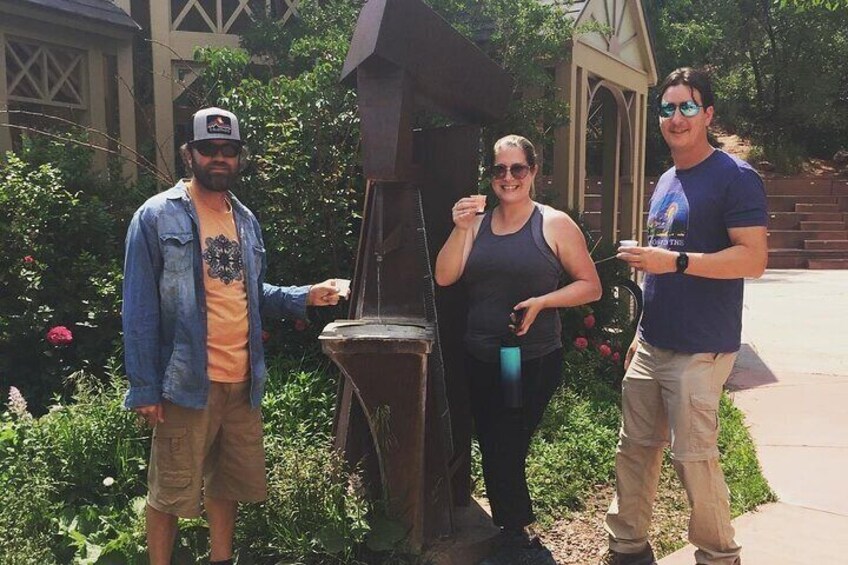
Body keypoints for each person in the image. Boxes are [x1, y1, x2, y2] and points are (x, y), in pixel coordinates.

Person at [122, 107, 342, 565]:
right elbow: (139, 306)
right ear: (190, 153)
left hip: (242, 380)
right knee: (170, 491)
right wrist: (144, 386)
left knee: (226, 486)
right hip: (184, 382)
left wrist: (305, 296)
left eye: (229, 150)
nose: (218, 158)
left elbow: (249, 289)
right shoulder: (156, 216)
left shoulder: (245, 219)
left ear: (240, 157)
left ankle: (222, 559)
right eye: (208, 149)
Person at [600, 68, 768, 565]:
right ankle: (627, 548)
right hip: (654, 342)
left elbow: (753, 260)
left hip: (702, 346)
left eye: (688, 107)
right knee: (634, 450)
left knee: (693, 458)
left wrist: (675, 262)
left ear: (708, 114)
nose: (676, 117)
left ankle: (718, 556)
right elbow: (659, 265)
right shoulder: (668, 179)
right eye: (668, 108)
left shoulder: (736, 178)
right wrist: (640, 330)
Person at [435, 134, 602, 564]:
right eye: (499, 170)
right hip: (479, 355)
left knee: (504, 442)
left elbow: (591, 285)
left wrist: (544, 302)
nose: (508, 178)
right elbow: (445, 276)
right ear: (491, 176)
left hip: (522, 359)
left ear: (533, 173)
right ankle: (515, 530)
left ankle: (516, 537)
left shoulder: (552, 223)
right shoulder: (476, 223)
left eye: (517, 169)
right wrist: (458, 228)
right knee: (494, 441)